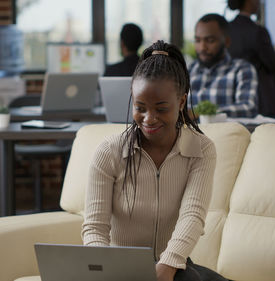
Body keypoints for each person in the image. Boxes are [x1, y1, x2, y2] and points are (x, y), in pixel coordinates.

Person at [82, 40, 228, 281]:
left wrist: (167, 265)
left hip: (172, 265)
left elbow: (192, 216)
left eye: (161, 108)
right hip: (120, 269)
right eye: (140, 107)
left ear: (181, 102)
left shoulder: (201, 149)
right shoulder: (109, 152)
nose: (149, 119)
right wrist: (103, 269)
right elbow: (95, 228)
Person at [227, 0, 275, 118]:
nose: (259, 3)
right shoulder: (258, 31)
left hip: (234, 94)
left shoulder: (227, 29)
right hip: (261, 98)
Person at [189, 13, 258, 118]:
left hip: (224, 134)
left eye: (210, 40)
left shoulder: (242, 69)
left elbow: (248, 108)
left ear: (226, 42)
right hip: (187, 133)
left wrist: (200, 113)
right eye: (198, 40)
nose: (202, 47)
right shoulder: (188, 70)